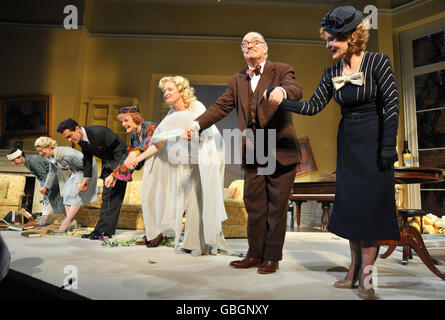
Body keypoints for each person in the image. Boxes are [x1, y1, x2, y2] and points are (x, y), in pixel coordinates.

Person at [275, 6, 400, 299]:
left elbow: (392, 106)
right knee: (354, 208)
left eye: (333, 39)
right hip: (349, 143)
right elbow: (313, 106)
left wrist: (387, 147)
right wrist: (283, 101)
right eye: (327, 39)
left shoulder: (378, 62)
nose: (328, 45)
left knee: (370, 211)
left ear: (352, 37)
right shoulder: (331, 72)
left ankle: (367, 278)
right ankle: (353, 270)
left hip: (374, 140)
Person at [184, 31, 303, 273]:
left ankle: (272, 257)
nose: (249, 46)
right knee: (255, 204)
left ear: (266, 48)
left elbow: (295, 87)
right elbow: (221, 106)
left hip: (279, 146)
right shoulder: (236, 80)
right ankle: (254, 254)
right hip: (253, 148)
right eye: (244, 43)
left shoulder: (281, 69)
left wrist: (283, 92)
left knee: (277, 206)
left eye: (255, 42)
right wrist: (197, 124)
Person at [127, 75, 231, 256]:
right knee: (191, 198)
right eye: (164, 91)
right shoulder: (171, 115)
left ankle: (201, 245)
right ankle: (191, 242)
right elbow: (158, 143)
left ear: (181, 90)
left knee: (200, 196)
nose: (165, 93)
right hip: (189, 159)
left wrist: (193, 134)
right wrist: (139, 158)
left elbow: (205, 131)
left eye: (170, 90)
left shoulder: (197, 107)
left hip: (208, 154)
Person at [56, 119, 127, 240]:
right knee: (108, 198)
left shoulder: (101, 132)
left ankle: (103, 231)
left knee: (111, 198)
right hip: (108, 164)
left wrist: (115, 173)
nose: (69, 140)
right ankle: (102, 231)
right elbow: (87, 158)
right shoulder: (82, 140)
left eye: (70, 136)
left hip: (121, 163)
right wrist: (86, 179)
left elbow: (121, 150)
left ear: (77, 129)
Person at [109, 105, 158, 246]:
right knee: (148, 200)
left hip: (164, 167)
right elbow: (129, 155)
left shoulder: (150, 128)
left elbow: (149, 147)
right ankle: (152, 234)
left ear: (135, 118)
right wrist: (113, 175)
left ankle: (156, 234)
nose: (123, 124)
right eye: (122, 122)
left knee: (155, 201)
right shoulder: (134, 135)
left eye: (125, 120)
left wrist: (134, 153)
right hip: (151, 169)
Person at [34, 137, 98, 232]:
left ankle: (66, 223)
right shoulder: (52, 157)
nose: (40, 153)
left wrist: (80, 182)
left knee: (77, 195)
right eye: (38, 151)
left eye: (41, 150)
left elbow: (83, 167)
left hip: (88, 168)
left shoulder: (66, 154)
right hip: (77, 169)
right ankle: (71, 222)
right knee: (66, 193)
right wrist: (45, 186)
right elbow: (52, 171)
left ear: (49, 147)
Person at [6, 149, 64, 225]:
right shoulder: (27, 161)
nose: (13, 163)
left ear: (20, 157)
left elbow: (44, 175)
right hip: (51, 179)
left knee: (49, 199)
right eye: (11, 161)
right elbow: (41, 175)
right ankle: (44, 220)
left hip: (56, 178)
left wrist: (44, 187)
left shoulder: (31, 161)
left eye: (14, 160)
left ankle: (43, 221)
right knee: (48, 200)